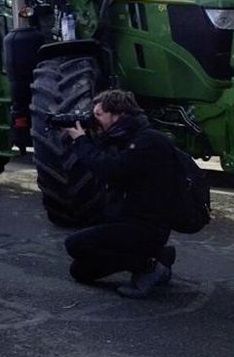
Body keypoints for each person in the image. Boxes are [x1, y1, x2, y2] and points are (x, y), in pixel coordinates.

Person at [63, 89, 179, 299]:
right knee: (80, 271)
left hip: (147, 224)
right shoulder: (122, 137)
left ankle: (149, 266)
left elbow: (110, 170)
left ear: (117, 114)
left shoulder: (147, 140)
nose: (94, 120)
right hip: (126, 219)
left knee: (75, 244)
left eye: (98, 115)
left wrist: (80, 141)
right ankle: (161, 256)